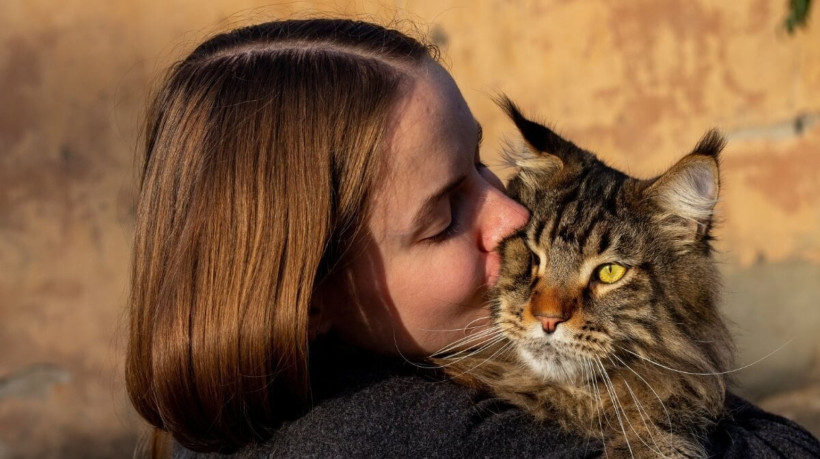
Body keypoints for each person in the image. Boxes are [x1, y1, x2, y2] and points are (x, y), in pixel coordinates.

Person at [125, 18, 820, 458]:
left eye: (481, 166)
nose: (511, 219)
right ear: (307, 300)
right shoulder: (425, 435)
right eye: (443, 214)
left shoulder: (231, 409)